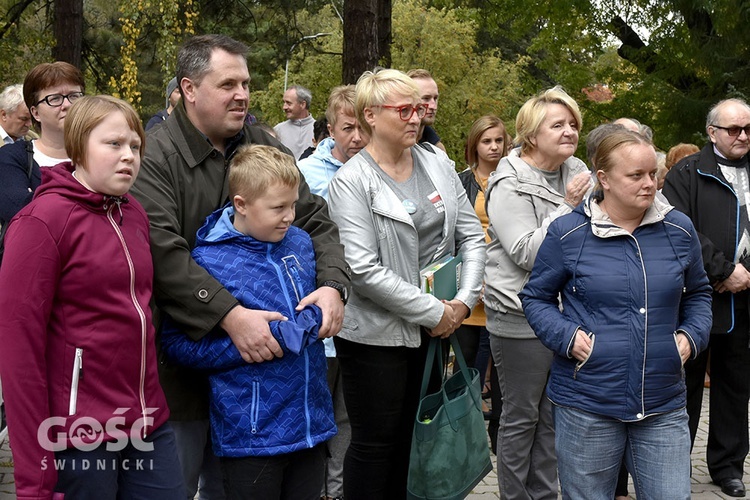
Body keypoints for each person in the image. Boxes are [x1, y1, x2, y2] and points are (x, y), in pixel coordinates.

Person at [130, 34, 350, 500]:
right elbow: (162, 253)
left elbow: (315, 221)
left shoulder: (262, 143)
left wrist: (332, 285)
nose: (242, 94)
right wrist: (230, 315)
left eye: (246, 83)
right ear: (189, 89)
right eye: (227, 83)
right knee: (176, 487)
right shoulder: (154, 156)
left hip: (270, 390)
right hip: (186, 370)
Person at [0, 95, 184, 499]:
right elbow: (19, 353)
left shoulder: (133, 212)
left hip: (146, 421)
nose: (128, 156)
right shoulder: (41, 222)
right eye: (114, 144)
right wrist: (35, 480)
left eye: (135, 145)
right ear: (80, 146)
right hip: (77, 433)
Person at [520, 130, 712, 499]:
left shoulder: (679, 229)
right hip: (588, 402)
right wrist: (567, 337)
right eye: (636, 176)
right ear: (603, 179)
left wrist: (689, 338)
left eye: (653, 174)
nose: (649, 184)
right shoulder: (568, 233)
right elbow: (536, 298)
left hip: (662, 401)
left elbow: (700, 293)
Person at [327, 69, 485, 499]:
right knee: (377, 446)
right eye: (404, 110)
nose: (416, 117)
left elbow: (471, 236)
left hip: (437, 329)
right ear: (371, 116)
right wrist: (435, 312)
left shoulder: (437, 163)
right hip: (377, 338)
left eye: (419, 108)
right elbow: (361, 268)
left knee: (418, 441)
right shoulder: (351, 182)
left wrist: (463, 303)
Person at [161, 144, 335, 500]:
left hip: (311, 426)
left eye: (293, 205)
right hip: (251, 437)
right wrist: (250, 346)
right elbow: (177, 343)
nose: (289, 216)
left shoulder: (300, 243)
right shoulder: (208, 262)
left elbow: (313, 303)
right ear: (240, 204)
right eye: (278, 208)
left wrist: (320, 314)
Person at [483, 86, 591, 500]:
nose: (569, 132)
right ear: (530, 135)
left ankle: (545, 495)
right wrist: (568, 207)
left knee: (552, 417)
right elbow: (527, 251)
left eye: (573, 124)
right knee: (521, 418)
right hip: (519, 314)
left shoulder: (576, 168)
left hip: (566, 313)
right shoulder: (507, 182)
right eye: (558, 125)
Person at [663, 98, 750, 498]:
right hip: (697, 297)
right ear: (712, 132)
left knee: (735, 385)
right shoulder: (685, 173)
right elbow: (678, 228)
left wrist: (744, 275)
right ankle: (672, 463)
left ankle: (728, 465)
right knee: (686, 386)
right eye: (734, 129)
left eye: (748, 128)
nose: (743, 136)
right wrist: (721, 270)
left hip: (745, 297)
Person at [298, 84, 368, 500]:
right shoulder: (308, 175)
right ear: (330, 130)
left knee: (348, 414)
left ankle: (337, 491)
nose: (357, 137)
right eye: (347, 128)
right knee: (316, 408)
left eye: (363, 127)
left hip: (365, 312)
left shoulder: (380, 169)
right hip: (318, 309)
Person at [455, 114, 509, 453]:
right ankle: (463, 437)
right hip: (468, 289)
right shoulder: (461, 181)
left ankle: (500, 440)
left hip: (503, 289)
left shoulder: (513, 179)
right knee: (465, 367)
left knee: (503, 375)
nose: (493, 147)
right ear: (474, 145)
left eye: (498, 141)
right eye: (486, 141)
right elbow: (453, 236)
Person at [0, 61, 85, 226]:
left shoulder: (99, 154)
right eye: (55, 98)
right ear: (35, 113)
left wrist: (40, 197)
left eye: (74, 96)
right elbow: (21, 214)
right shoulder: (11, 158)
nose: (67, 105)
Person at [406, 69, 446, 152]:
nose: (433, 106)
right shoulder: (391, 144)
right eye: (426, 98)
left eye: (435, 98)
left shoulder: (437, 151)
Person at [274, 85, 315, 160]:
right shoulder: (278, 130)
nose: (284, 107)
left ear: (302, 104)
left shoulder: (319, 129)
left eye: (288, 103)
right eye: (284, 103)